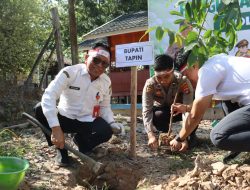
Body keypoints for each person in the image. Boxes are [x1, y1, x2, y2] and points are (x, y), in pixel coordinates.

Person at [34, 43, 124, 166]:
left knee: (106, 130)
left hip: (87, 121)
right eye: (96, 60)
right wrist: (55, 128)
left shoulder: (106, 82)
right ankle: (61, 151)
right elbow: (49, 96)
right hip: (65, 118)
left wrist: (112, 123)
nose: (99, 66)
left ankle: (83, 144)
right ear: (86, 58)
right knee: (39, 108)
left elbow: (104, 107)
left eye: (104, 64)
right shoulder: (69, 72)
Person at [170, 50, 250, 162]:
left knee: (218, 136)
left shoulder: (207, 71)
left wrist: (179, 138)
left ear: (193, 65)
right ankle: (240, 148)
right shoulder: (217, 61)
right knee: (227, 102)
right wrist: (187, 107)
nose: (189, 80)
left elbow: (195, 116)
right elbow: (208, 101)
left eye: (187, 75)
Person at [142, 54, 196, 151]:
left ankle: (189, 136)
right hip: (163, 111)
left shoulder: (182, 81)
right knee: (157, 115)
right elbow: (147, 110)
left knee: (195, 113)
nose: (163, 81)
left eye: (166, 76)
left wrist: (183, 137)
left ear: (173, 71)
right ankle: (166, 136)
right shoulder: (150, 84)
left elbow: (187, 110)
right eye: (159, 77)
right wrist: (150, 135)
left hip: (180, 110)